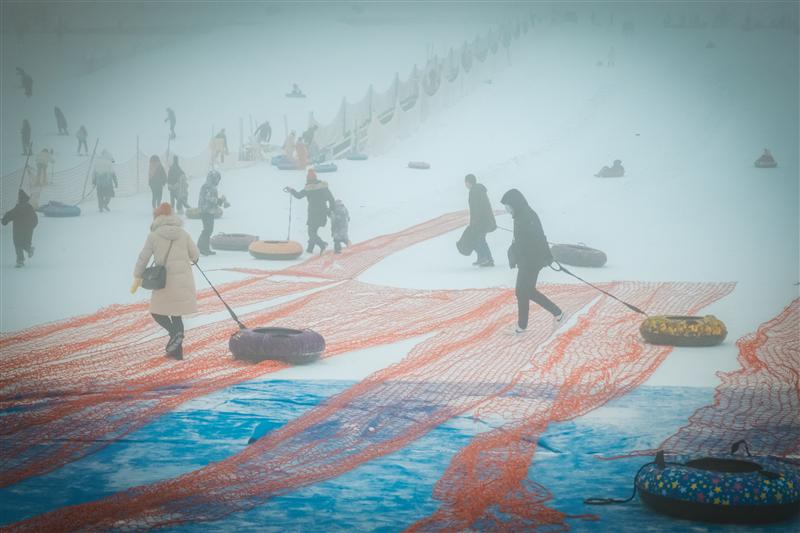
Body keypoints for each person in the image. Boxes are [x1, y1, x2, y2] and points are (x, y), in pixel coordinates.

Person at [132, 202, 199, 359]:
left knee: (156, 312)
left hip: (163, 281)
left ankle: (175, 335)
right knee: (176, 315)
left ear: (157, 218)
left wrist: (137, 276)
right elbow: (195, 255)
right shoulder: (183, 234)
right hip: (183, 281)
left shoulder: (153, 236)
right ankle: (177, 348)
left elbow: (143, 258)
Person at [500, 188, 563, 333]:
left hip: (531, 261)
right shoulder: (521, 215)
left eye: (508, 206)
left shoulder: (527, 217)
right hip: (528, 260)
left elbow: (538, 238)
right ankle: (558, 313)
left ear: (515, 204)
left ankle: (521, 327)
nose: (507, 210)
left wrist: (545, 257)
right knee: (528, 291)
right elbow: (521, 241)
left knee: (522, 292)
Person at [285, 168, 335, 254]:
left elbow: (298, 196)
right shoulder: (323, 187)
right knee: (313, 231)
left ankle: (322, 244)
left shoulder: (309, 188)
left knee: (311, 232)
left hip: (313, 213)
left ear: (308, 179)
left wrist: (291, 190)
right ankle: (310, 249)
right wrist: (331, 210)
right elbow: (331, 199)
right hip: (323, 211)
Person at [465, 173, 497, 266]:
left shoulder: (474, 191)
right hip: (484, 220)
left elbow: (476, 208)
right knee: (480, 239)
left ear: (469, 182)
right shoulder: (478, 190)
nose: (465, 184)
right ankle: (485, 259)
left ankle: (486, 259)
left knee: (479, 240)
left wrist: (474, 222)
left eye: (466, 182)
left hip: (481, 222)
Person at [2, 190, 38, 268]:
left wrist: (4, 220)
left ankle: (20, 260)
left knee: (18, 244)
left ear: (20, 198)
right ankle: (29, 249)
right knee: (25, 243)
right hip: (28, 231)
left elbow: (9, 215)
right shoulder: (30, 208)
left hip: (18, 231)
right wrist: (31, 227)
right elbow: (35, 220)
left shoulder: (17, 208)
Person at [197, 170, 224, 255]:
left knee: (208, 230)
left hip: (209, 211)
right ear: (213, 178)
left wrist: (218, 201)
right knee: (207, 229)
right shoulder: (208, 186)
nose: (218, 182)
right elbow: (208, 198)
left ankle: (205, 248)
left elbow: (210, 198)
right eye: (217, 179)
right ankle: (201, 247)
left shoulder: (210, 186)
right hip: (206, 211)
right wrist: (219, 200)